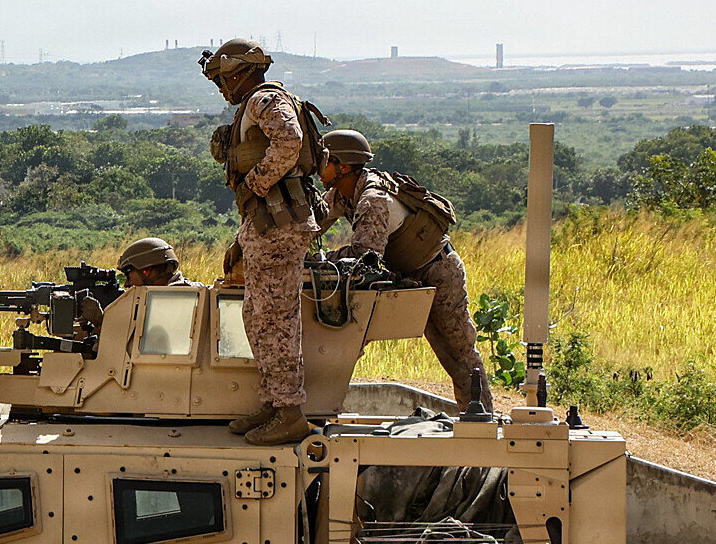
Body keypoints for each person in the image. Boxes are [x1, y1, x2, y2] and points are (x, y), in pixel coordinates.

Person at [313, 129, 489, 410]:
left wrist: (321, 259)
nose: (318, 168)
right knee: (350, 337)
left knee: (457, 351)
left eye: (325, 161)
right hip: (407, 274)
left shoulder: (373, 198)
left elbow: (365, 256)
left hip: (438, 271)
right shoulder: (341, 194)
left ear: (343, 167)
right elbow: (311, 225)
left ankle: (481, 419)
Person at [203, 38, 318, 445]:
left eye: (222, 78)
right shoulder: (257, 103)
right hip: (268, 224)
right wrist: (243, 233)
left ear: (240, 72)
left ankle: (289, 412)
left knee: (275, 320)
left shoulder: (262, 100)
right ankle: (274, 403)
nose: (221, 87)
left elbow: (289, 141)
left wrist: (254, 183)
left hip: (279, 225)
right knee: (257, 316)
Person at [117, 236, 187, 287]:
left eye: (127, 275)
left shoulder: (172, 296)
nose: (126, 284)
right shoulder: (191, 292)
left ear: (145, 271)